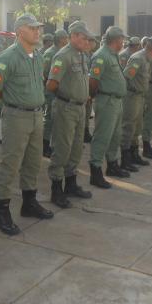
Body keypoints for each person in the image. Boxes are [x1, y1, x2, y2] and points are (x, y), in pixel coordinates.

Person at [0, 13, 54, 236]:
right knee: (11, 164)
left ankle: (29, 202)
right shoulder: (7, 57)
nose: (38, 31)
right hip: (16, 116)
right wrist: (14, 102)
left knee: (33, 162)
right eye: (33, 28)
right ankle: (2, 212)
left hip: (36, 115)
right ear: (20, 31)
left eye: (38, 28)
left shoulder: (37, 55)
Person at [46, 21, 94, 208]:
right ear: (73, 36)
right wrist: (67, 97)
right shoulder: (63, 56)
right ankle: (56, 189)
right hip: (66, 108)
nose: (86, 42)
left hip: (80, 108)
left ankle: (71, 184)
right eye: (83, 38)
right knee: (62, 148)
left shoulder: (81, 55)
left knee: (76, 147)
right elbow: (51, 84)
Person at [88, 26, 130, 189]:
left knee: (115, 135)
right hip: (106, 101)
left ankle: (112, 165)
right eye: (122, 39)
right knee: (103, 136)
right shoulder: (101, 56)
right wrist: (92, 97)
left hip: (116, 101)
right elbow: (93, 80)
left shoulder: (112, 55)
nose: (123, 41)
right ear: (115, 39)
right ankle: (96, 170)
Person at [121, 36, 152, 168]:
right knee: (128, 127)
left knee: (137, 127)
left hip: (140, 96)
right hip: (132, 97)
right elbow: (126, 77)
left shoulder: (147, 59)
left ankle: (134, 155)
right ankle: (125, 159)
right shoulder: (138, 58)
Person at [42, 29, 69, 157]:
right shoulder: (50, 53)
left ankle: (53, 144)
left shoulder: (62, 52)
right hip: (51, 90)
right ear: (60, 39)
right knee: (49, 118)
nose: (67, 40)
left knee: (57, 119)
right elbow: (45, 73)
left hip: (60, 91)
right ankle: (45, 144)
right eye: (65, 38)